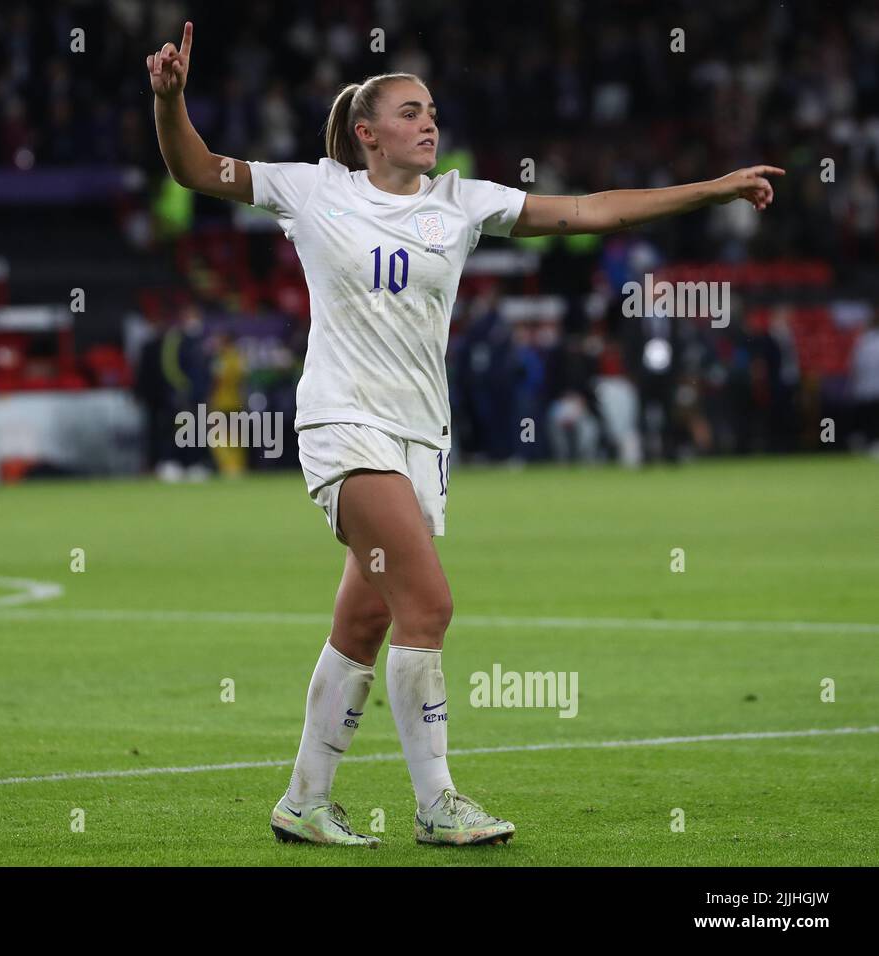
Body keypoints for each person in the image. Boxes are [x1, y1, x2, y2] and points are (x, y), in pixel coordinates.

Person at [148, 21, 783, 847]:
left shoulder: (463, 202)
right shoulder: (313, 189)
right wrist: (170, 101)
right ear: (367, 133)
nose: (429, 122)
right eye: (410, 112)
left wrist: (710, 189)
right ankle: (438, 803)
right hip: (344, 425)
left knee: (365, 623)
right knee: (430, 605)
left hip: (421, 441)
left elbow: (588, 210)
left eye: (433, 110)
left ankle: (304, 800)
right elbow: (194, 168)